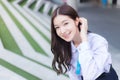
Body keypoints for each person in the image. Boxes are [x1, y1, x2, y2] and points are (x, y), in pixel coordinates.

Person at [51, 3, 118, 80]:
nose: (62, 31)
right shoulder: (66, 46)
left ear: (76, 21)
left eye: (66, 23)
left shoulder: (98, 41)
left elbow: (91, 76)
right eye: (57, 27)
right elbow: (74, 75)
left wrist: (84, 40)